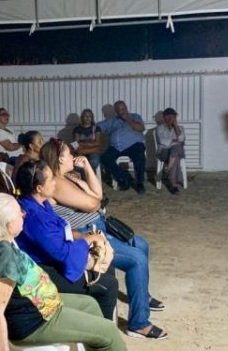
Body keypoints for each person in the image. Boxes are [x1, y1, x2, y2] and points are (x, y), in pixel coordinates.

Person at [40, 138, 167, 339]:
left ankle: (141, 295)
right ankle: (139, 324)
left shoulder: (69, 177)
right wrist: (95, 202)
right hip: (86, 232)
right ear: (58, 158)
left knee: (141, 244)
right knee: (137, 259)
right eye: (68, 153)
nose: (73, 155)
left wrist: (87, 167)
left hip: (99, 224)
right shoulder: (56, 183)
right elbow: (93, 204)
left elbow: (98, 194)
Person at [0, 193, 126, 351]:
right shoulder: (2, 257)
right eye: (18, 213)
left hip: (40, 303)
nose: (24, 213)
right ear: (8, 225)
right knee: (109, 332)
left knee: (90, 304)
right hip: (34, 321)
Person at [14, 160, 119, 321]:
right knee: (108, 286)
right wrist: (89, 239)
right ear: (39, 188)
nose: (55, 182)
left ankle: (95, 321)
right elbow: (62, 253)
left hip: (50, 259)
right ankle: (103, 334)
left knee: (107, 268)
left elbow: (60, 232)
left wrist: (82, 237)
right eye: (50, 179)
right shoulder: (35, 218)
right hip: (43, 271)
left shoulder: (37, 203)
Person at [97, 100, 147, 194]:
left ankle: (140, 183)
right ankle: (125, 178)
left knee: (140, 156)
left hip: (134, 145)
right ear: (116, 112)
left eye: (124, 108)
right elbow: (97, 127)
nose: (123, 111)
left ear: (127, 108)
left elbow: (140, 128)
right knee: (105, 158)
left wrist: (128, 119)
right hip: (117, 147)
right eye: (120, 109)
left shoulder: (135, 116)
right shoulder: (112, 121)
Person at [155, 107, 186, 194]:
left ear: (175, 117)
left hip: (176, 152)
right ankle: (177, 180)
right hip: (164, 152)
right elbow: (163, 142)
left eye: (171, 117)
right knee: (175, 151)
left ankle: (173, 182)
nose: (169, 119)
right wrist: (175, 141)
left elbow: (182, 138)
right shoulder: (160, 128)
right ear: (164, 118)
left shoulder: (180, 128)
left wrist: (175, 126)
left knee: (175, 150)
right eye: (167, 117)